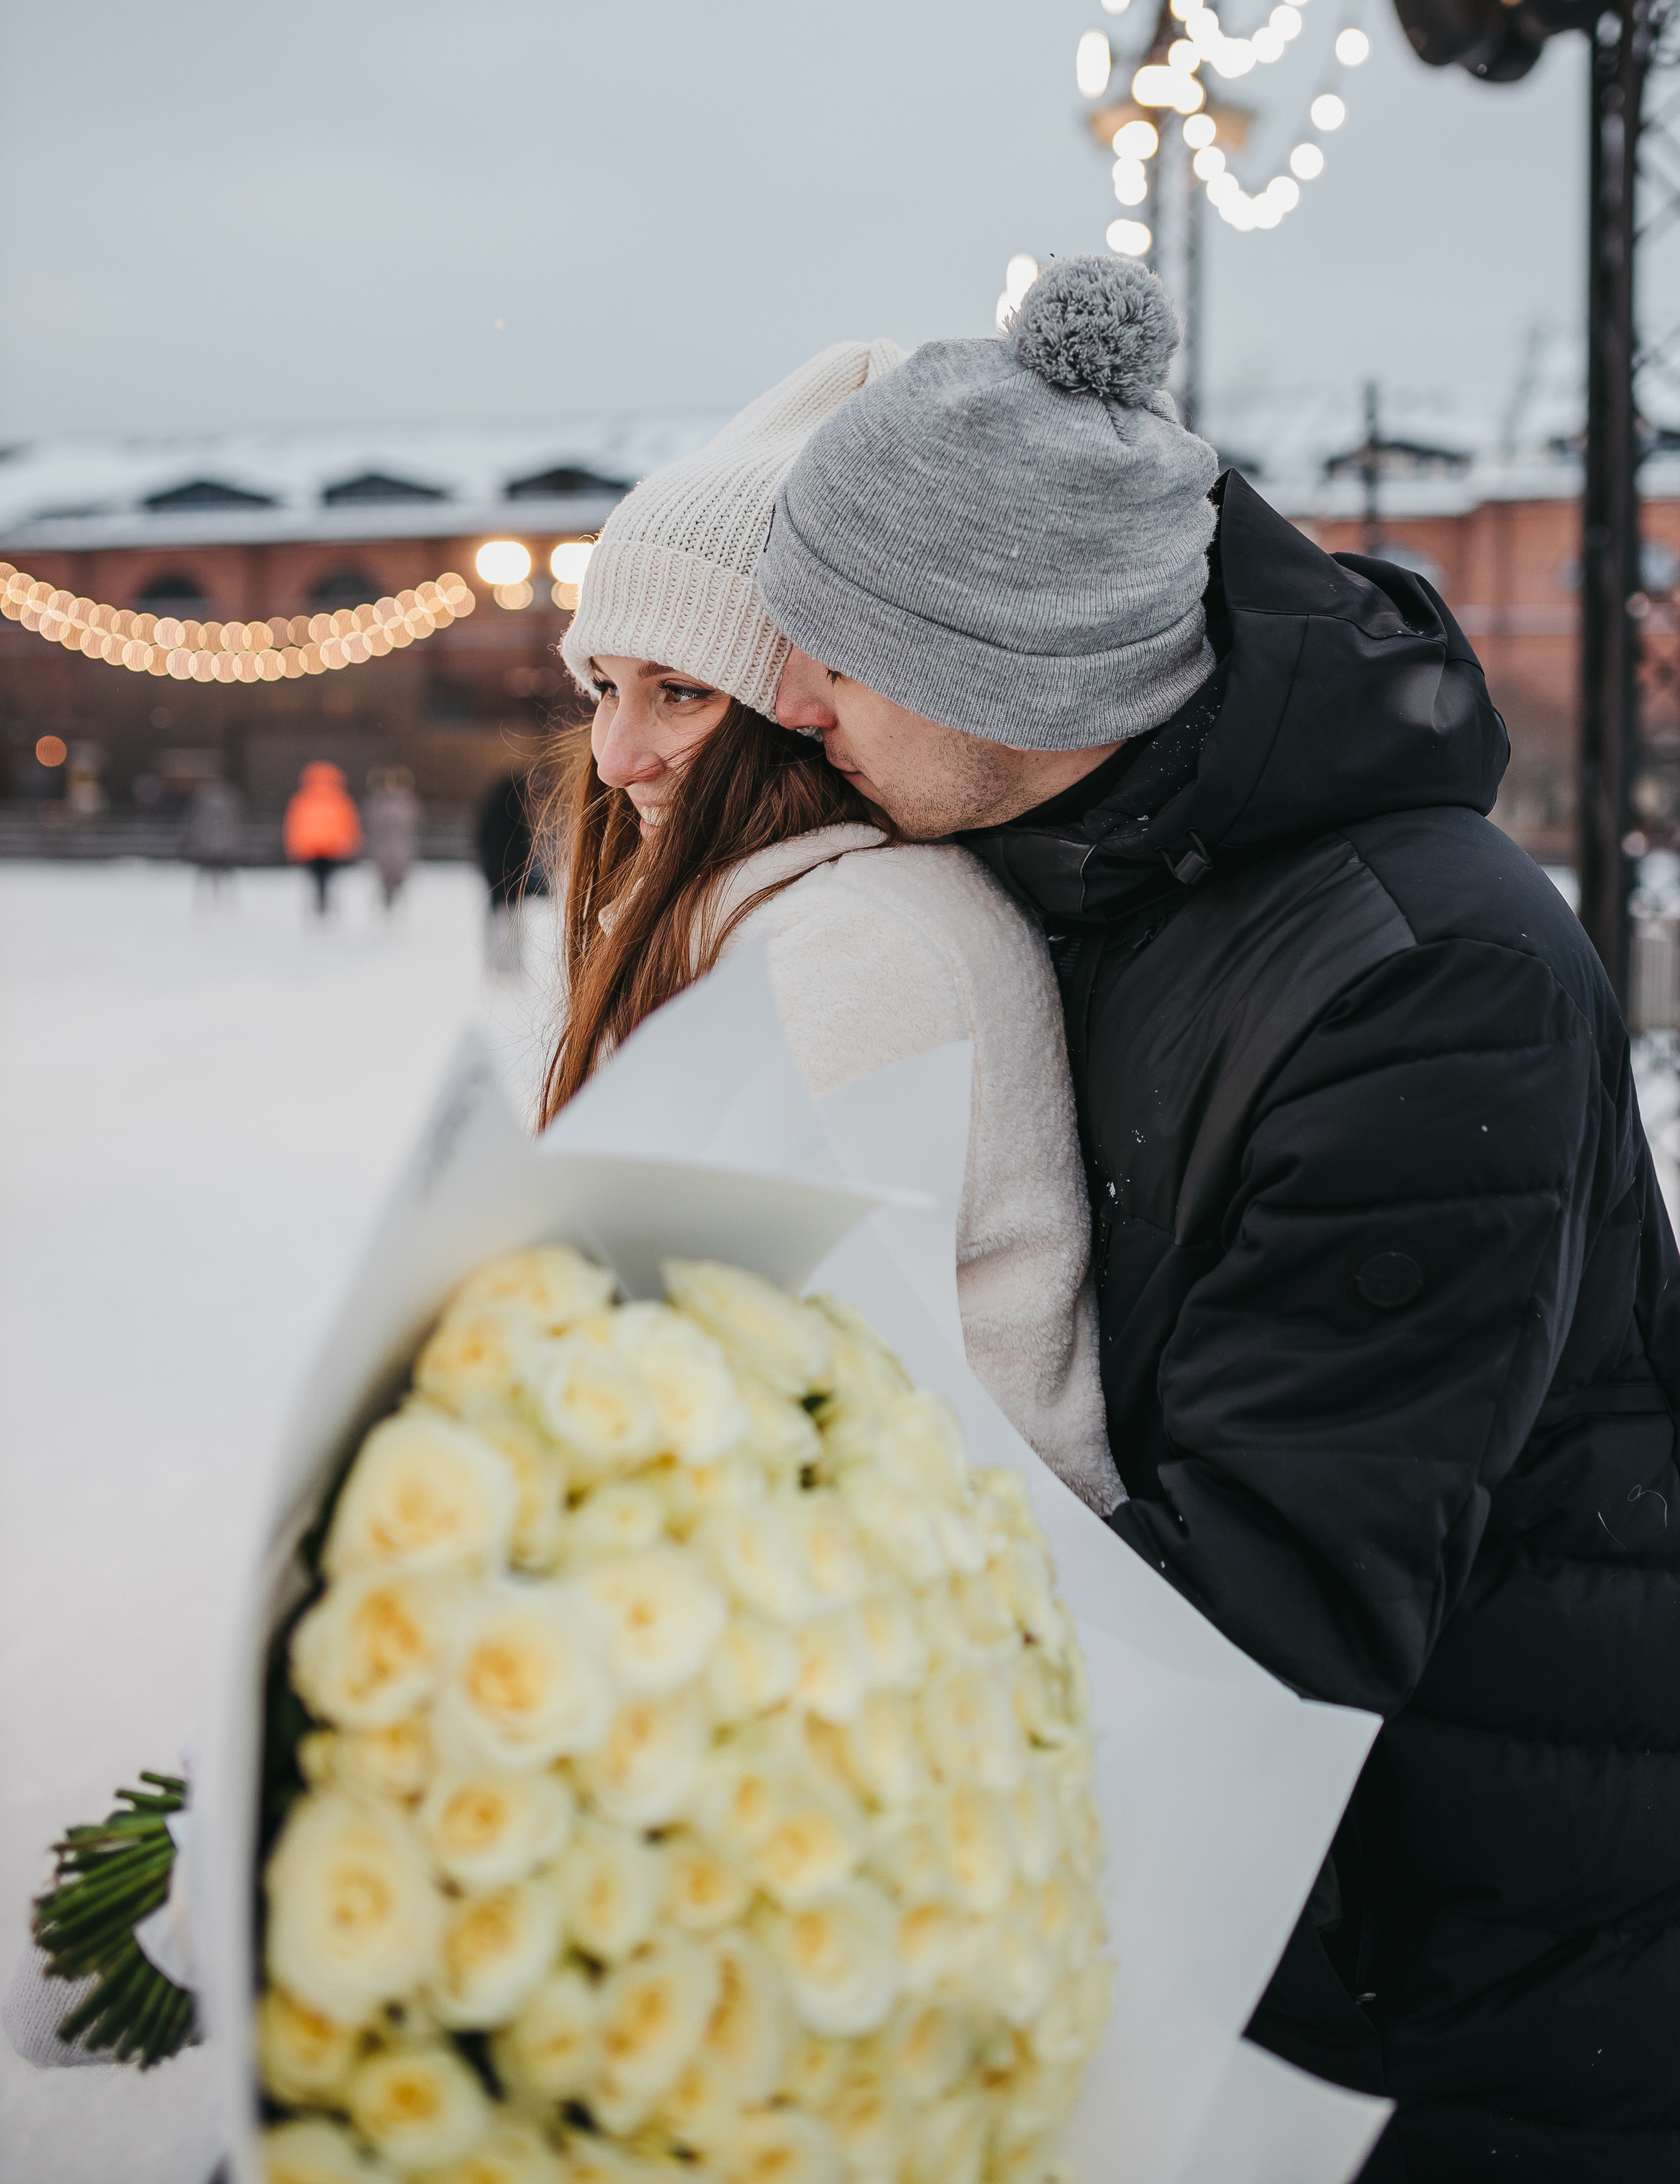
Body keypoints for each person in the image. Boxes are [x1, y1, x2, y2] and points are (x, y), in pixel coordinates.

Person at [755, 255, 1680, 2183]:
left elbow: (1272, 1605)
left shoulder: (1420, 978)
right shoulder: (1107, 873)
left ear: (1016, 668)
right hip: (1274, 1973)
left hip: (1458, 2040)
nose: (792, 701)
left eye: (840, 652)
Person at [550, 337, 1122, 1512]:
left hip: (931, 1588)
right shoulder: (776, 915)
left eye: (682, 691)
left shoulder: (859, 944)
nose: (616, 758)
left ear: (799, 704)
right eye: (604, 687)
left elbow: (764, 1362)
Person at [477, 768, 544, 974]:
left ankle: (501, 963)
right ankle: (507, 963)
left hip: (500, 874)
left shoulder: (499, 807)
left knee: (501, 918)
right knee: (509, 920)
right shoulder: (511, 811)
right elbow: (516, 846)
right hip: (507, 875)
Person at [282, 759, 362, 919]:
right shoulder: (340, 800)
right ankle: (326, 908)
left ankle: (319, 908)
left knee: (316, 881)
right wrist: (351, 844)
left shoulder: (302, 799)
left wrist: (294, 846)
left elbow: (294, 825)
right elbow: (348, 824)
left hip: (310, 848)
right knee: (329, 881)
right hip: (333, 848)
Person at [364, 766, 422, 912]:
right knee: (384, 878)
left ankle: (397, 905)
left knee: (398, 878)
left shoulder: (407, 803)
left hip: (401, 848)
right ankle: (386, 904)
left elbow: (413, 824)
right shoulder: (377, 804)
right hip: (382, 849)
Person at [181, 771, 243, 897]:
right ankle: (222, 897)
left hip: (210, 845)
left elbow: (198, 823)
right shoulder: (229, 799)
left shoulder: (204, 800)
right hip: (219, 844)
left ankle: (210, 897)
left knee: (210, 873)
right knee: (220, 873)